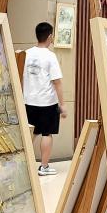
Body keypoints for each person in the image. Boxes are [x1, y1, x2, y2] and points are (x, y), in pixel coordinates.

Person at [23, 21, 66, 176]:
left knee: (29, 133)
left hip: (28, 101)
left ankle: (21, 164)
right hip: (47, 102)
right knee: (46, 134)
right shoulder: (50, 56)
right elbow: (57, 82)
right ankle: (44, 166)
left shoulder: (26, 54)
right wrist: (62, 104)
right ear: (50, 36)